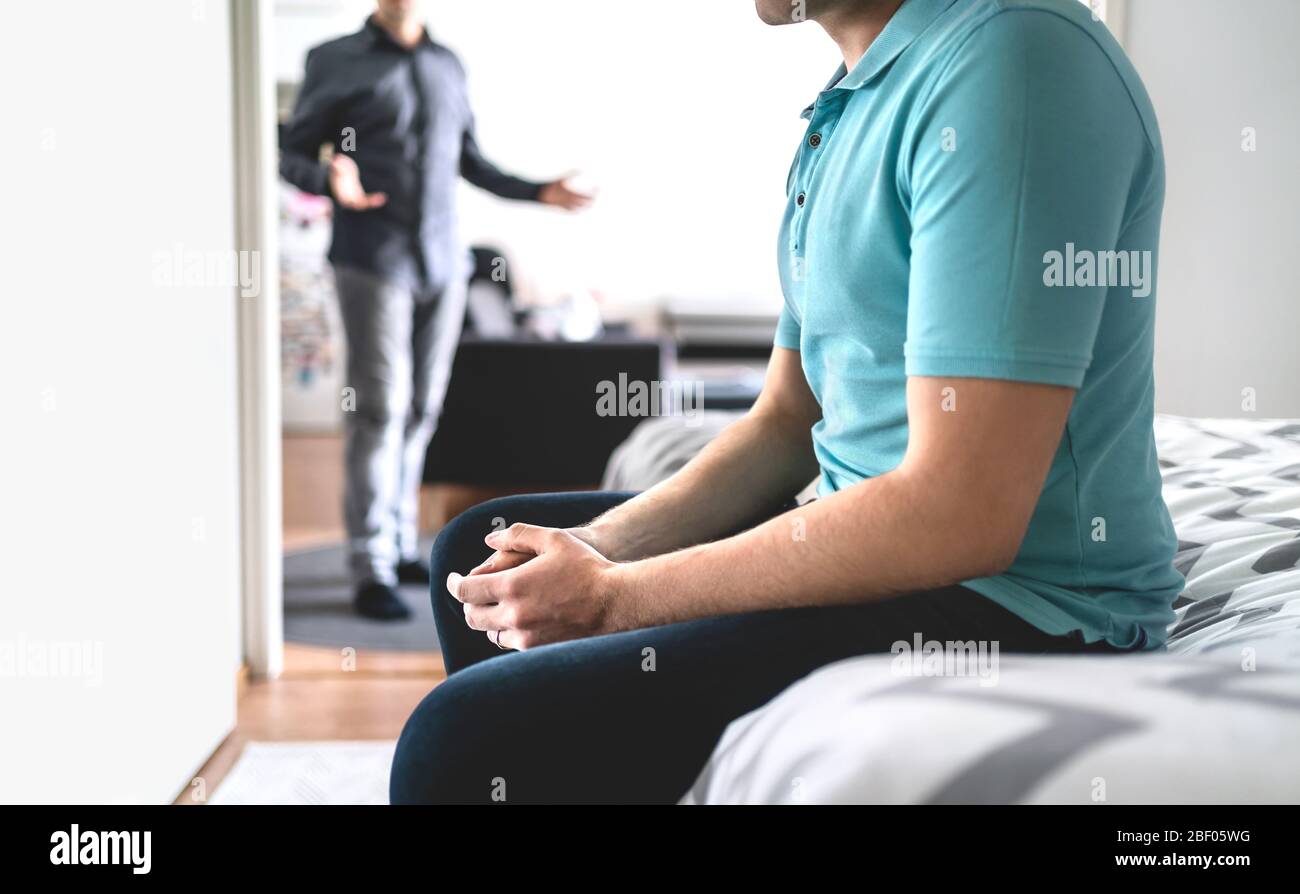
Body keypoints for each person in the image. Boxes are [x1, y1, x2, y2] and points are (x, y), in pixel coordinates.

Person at [390, 0, 1184, 804]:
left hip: (1024, 610)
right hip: (888, 546)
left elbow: (962, 514)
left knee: (459, 741)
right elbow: (786, 421)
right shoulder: (853, 98)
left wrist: (614, 600)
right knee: (481, 550)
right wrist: (596, 547)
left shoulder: (1013, 62)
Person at [280, 0, 593, 620]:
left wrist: (539, 192)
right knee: (379, 408)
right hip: (373, 259)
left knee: (421, 408)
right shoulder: (334, 60)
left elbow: (469, 161)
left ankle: (396, 545)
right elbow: (290, 153)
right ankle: (369, 565)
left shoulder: (446, 64)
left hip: (442, 263)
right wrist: (325, 178)